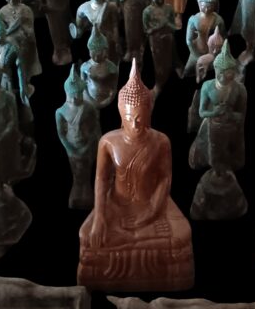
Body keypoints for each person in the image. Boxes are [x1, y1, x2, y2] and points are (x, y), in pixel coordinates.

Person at [77, 61, 194, 292]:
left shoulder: (161, 142)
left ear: (149, 113)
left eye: (140, 117)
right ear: (121, 114)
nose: (135, 123)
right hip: (116, 204)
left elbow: (165, 179)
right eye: (130, 117)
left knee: (181, 237)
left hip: (152, 205)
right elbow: (102, 180)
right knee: (87, 237)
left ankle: (129, 255)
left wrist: (151, 212)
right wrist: (100, 217)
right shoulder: (108, 141)